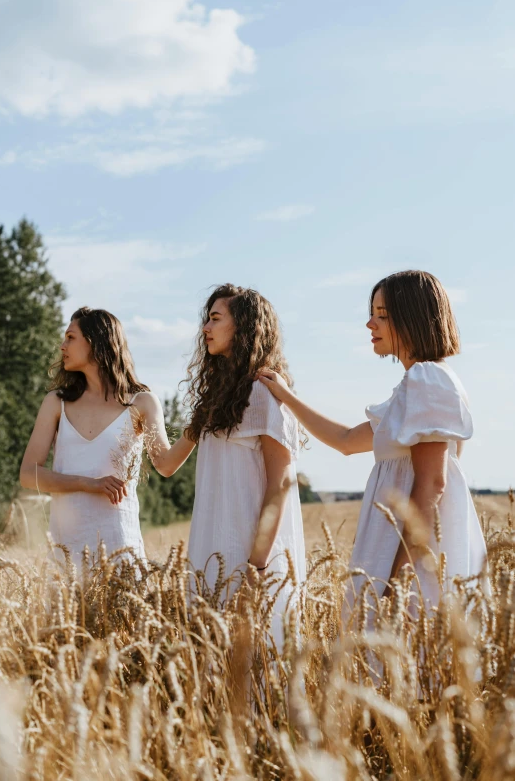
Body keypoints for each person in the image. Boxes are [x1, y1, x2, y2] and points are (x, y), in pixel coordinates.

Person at [259, 270, 488, 612]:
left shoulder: (429, 380)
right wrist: (286, 396)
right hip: (398, 549)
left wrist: (398, 581)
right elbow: (346, 440)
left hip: (411, 559)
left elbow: (433, 483)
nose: (370, 324)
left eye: (382, 315)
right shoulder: (417, 386)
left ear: (413, 318)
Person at [20, 307, 194, 572]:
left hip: (120, 544)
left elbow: (166, 465)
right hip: (66, 549)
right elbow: (28, 475)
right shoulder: (56, 403)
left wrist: (197, 428)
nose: (62, 345)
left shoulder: (141, 403)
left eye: (70, 337)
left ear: (95, 341)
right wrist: (87, 483)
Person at [185, 284, 306, 647]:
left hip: (250, 556)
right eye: (206, 319)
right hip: (212, 548)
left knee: (256, 671)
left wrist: (256, 566)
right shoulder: (218, 399)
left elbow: (279, 482)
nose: (205, 328)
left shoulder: (264, 393)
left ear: (244, 328)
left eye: (215, 319)